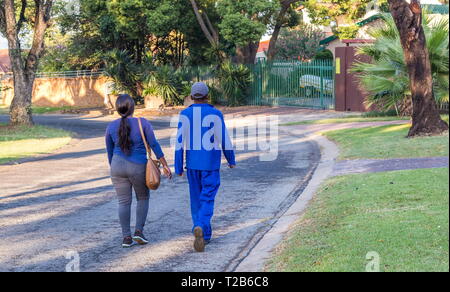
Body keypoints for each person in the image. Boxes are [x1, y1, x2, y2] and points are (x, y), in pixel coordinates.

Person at [175, 82, 236, 252]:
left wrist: (178, 166)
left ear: (192, 97)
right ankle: (202, 227)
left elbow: (179, 142)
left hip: (192, 165)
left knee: (196, 199)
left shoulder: (184, 114)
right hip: (210, 165)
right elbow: (224, 138)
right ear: (207, 96)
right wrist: (231, 159)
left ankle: (202, 231)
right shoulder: (215, 114)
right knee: (207, 197)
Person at [106, 94, 172, 248]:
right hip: (138, 166)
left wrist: (116, 169)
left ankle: (126, 238)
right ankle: (138, 232)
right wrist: (164, 165)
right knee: (142, 198)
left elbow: (110, 152)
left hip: (116, 166)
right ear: (133, 108)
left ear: (117, 109)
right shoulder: (143, 123)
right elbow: (154, 145)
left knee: (123, 202)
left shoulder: (111, 126)